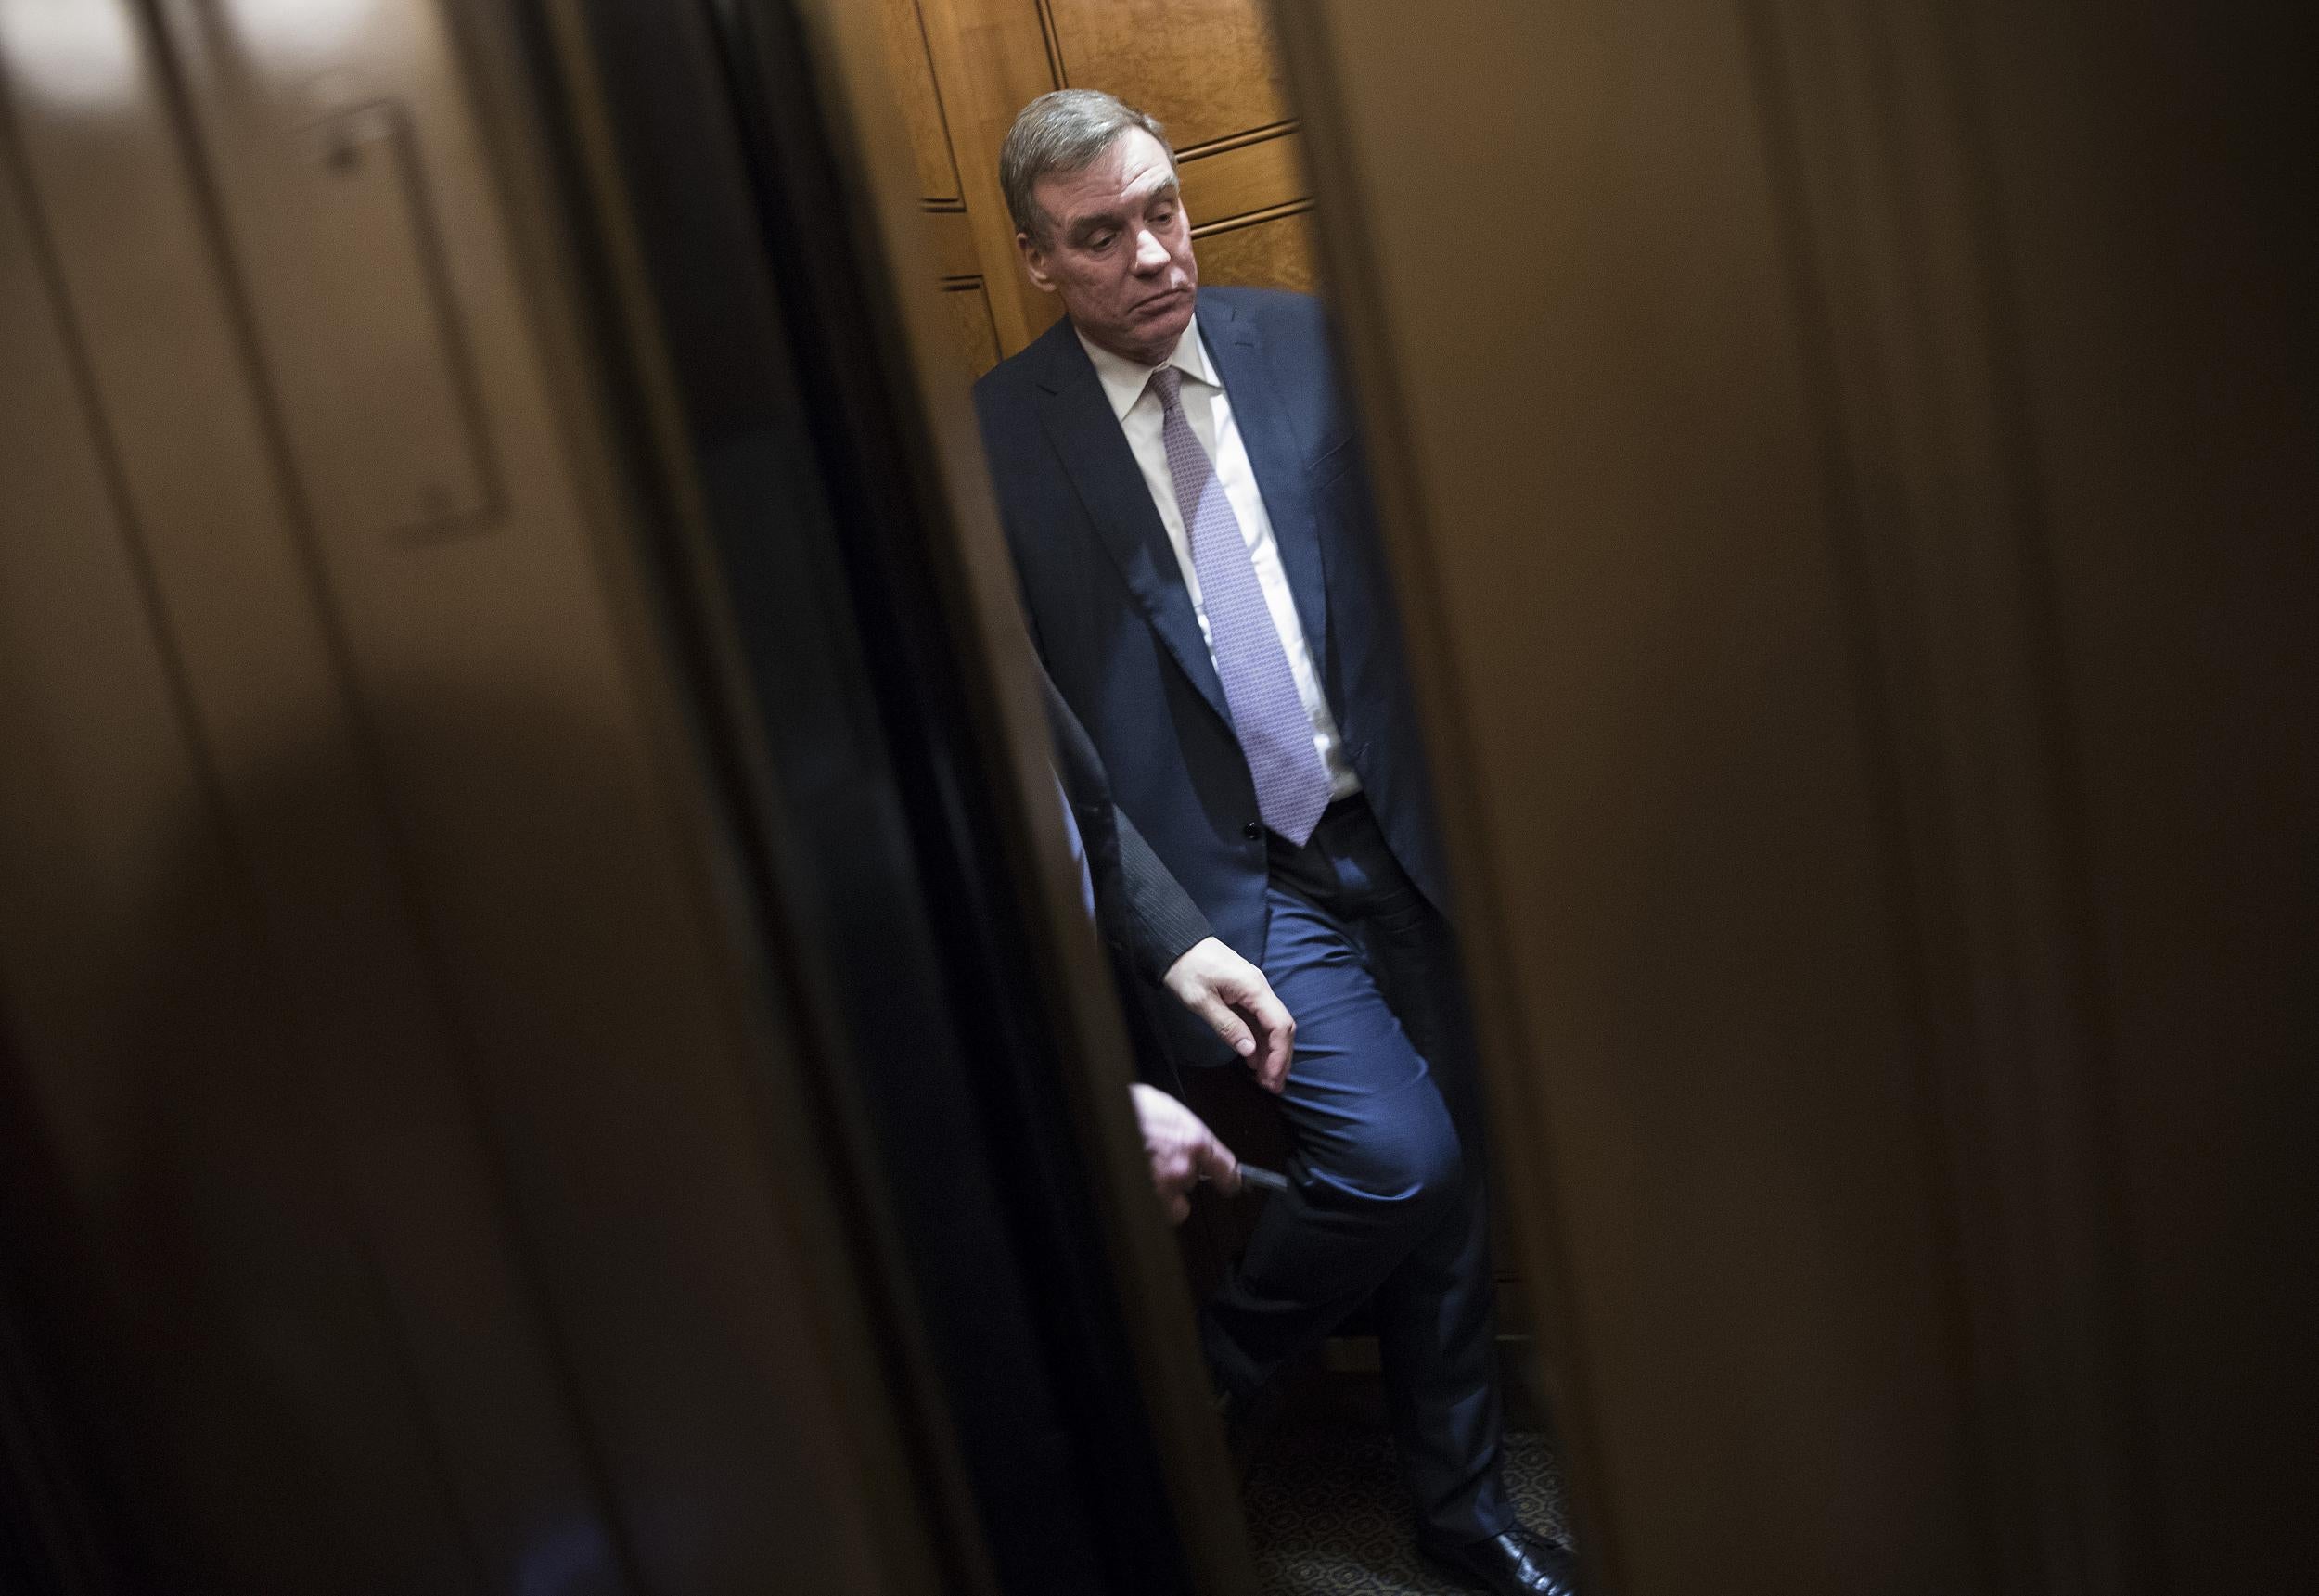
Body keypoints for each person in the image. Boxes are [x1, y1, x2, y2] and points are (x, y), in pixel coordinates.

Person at [975, 89, 1578, 1596]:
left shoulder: (1309, 346)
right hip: (1223, 882)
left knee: (1463, 1178)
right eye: (1100, 237)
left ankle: (1458, 1511)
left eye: (1164, 208)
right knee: (1401, 1158)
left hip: (1406, 830)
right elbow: (1033, 735)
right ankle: (1201, 1391)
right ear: (1040, 259)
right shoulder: (988, 441)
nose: (1152, 254)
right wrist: (1155, 925)